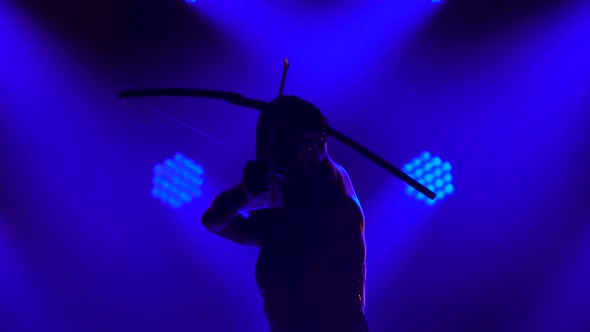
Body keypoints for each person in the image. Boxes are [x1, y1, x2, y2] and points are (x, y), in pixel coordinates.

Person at [201, 96, 368, 332]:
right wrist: (246, 190)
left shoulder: (332, 205)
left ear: (313, 143)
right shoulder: (295, 196)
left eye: (282, 148)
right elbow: (213, 221)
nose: (273, 159)